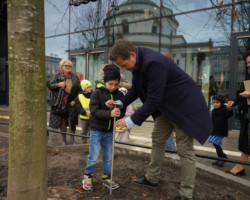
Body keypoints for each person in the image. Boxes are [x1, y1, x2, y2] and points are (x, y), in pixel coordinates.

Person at [107, 40, 213, 200]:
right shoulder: (138, 63)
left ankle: (186, 194)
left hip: (184, 108)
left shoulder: (154, 63)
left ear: (132, 55)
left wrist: (130, 121)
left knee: (185, 150)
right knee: (157, 139)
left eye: (124, 64)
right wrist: (120, 103)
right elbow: (136, 89)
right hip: (168, 107)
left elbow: (154, 100)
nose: (123, 69)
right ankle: (152, 178)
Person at [82, 64, 126, 191]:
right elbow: (94, 111)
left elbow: (122, 112)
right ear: (105, 82)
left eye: (116, 84)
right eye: (110, 84)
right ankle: (87, 176)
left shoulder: (119, 95)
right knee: (94, 155)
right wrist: (109, 112)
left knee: (108, 156)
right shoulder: (97, 93)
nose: (113, 87)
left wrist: (118, 113)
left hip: (109, 131)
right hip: (96, 130)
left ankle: (107, 178)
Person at [226, 52, 250, 176]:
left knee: (247, 141)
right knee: (245, 140)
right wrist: (233, 102)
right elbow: (241, 94)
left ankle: (240, 166)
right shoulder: (247, 79)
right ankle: (241, 166)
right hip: (247, 115)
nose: (248, 65)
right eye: (247, 63)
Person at [48, 58, 80, 145]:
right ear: (62, 67)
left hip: (71, 103)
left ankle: (73, 140)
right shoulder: (57, 76)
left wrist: (75, 100)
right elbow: (50, 85)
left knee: (71, 121)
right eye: (66, 65)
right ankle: (63, 140)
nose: (68, 67)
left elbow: (80, 90)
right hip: (60, 103)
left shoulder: (75, 77)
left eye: (70, 66)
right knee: (62, 121)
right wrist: (58, 84)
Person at [208, 94, 233, 167]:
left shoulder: (224, 109)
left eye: (217, 102)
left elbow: (229, 114)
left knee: (216, 143)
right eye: (213, 102)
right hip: (215, 131)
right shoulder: (214, 110)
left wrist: (230, 109)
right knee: (215, 143)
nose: (215, 104)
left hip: (221, 131)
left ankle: (222, 157)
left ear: (221, 102)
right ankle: (221, 157)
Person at [163, 52, 176, 152]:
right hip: (167, 109)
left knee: (168, 137)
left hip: (170, 110)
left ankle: (171, 156)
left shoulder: (170, 74)